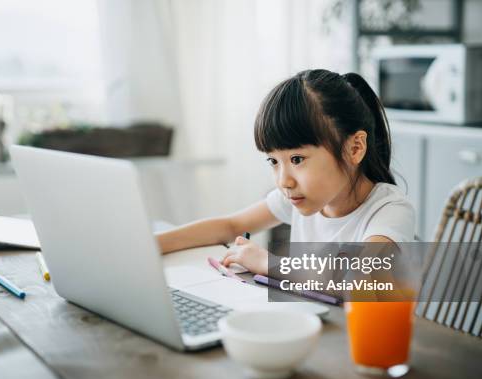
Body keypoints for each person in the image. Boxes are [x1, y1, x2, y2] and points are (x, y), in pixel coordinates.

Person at [156, 69, 415, 276]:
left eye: (297, 159)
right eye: (274, 162)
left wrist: (271, 264)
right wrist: (151, 245)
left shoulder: (389, 211)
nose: (284, 181)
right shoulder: (301, 198)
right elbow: (231, 225)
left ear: (354, 148)